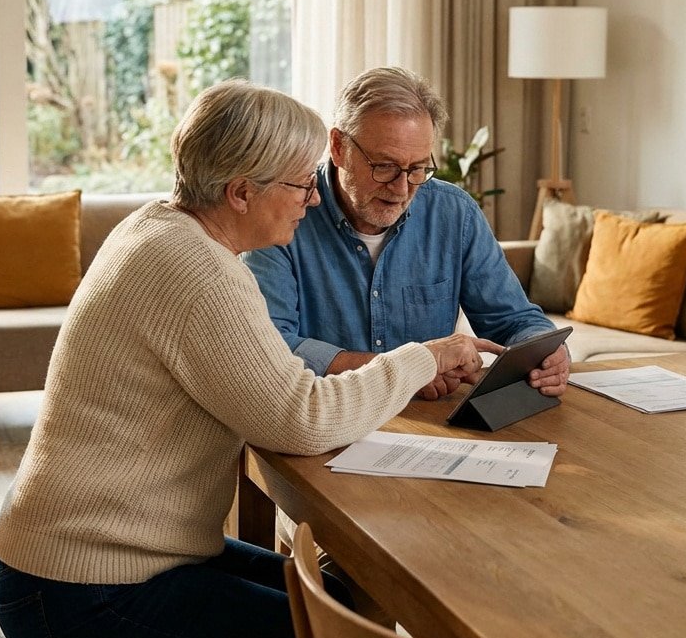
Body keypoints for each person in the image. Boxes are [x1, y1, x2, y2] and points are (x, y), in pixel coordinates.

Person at [0, 79, 503, 638]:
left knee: (338, 598)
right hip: (82, 592)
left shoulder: (159, 228)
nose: (313, 199)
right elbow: (300, 419)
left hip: (111, 557)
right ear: (240, 192)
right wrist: (425, 356)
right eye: (301, 183)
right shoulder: (197, 273)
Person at [244, 66, 571, 401]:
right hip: (325, 419)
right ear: (339, 147)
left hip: (431, 426)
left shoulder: (453, 213)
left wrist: (545, 352)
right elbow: (271, 346)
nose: (401, 188)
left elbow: (513, 319)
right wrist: (405, 371)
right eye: (384, 167)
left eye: (417, 169)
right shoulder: (283, 211)